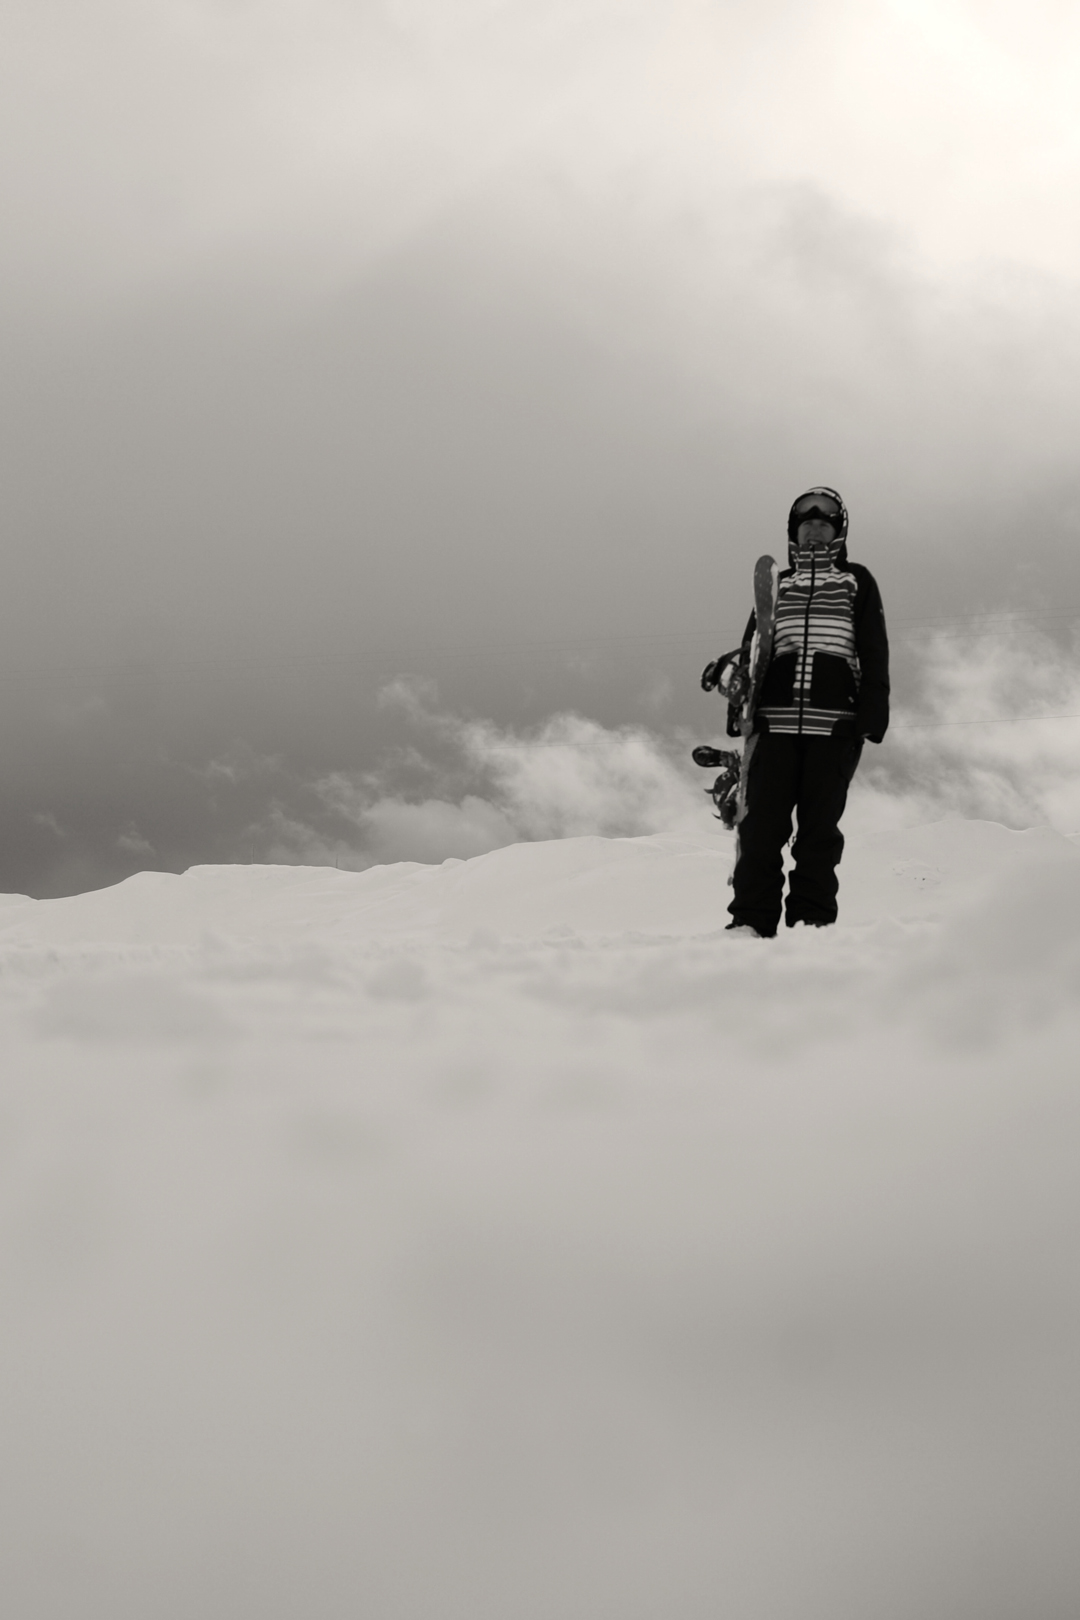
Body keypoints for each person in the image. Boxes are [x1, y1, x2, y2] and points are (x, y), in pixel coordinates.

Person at [722, 486, 889, 937]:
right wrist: (739, 708)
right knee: (760, 830)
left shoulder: (856, 580)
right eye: (806, 524)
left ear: (839, 532)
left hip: (835, 726)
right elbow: (754, 652)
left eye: (824, 523)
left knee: (818, 833)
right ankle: (750, 923)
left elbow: (873, 648)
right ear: (793, 533)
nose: (814, 529)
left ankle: (811, 924)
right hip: (773, 725)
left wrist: (873, 712)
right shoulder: (778, 584)